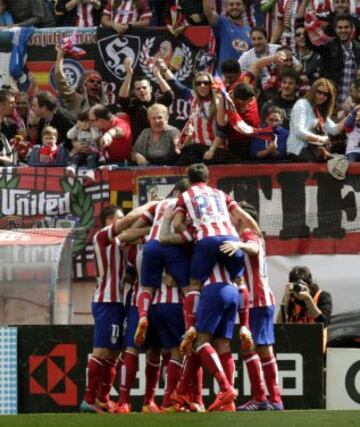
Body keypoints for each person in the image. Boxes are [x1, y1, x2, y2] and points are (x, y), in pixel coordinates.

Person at [80, 203, 154, 414]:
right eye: (119, 218)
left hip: (118, 303)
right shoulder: (102, 237)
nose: (123, 220)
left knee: (113, 353)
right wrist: (152, 207)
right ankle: (88, 399)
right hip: (106, 301)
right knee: (102, 350)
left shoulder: (122, 243)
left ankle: (103, 398)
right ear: (109, 221)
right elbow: (131, 221)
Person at [220, 201, 283, 411]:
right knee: (261, 349)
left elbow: (254, 248)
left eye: (233, 215)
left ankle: (264, 399)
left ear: (241, 218)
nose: (230, 218)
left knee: (253, 348)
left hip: (258, 300)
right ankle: (271, 399)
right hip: (259, 300)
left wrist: (239, 245)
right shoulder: (246, 234)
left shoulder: (247, 234)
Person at [287, 78, 349, 162]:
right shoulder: (301, 104)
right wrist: (320, 139)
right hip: (297, 149)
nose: (322, 96)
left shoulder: (319, 110)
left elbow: (334, 129)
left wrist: (352, 115)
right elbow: (299, 131)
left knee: (336, 161)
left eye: (325, 94)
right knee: (327, 164)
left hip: (313, 150)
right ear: (313, 91)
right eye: (319, 92)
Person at [306, 14, 360, 106]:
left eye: (346, 27)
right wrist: (308, 26)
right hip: (330, 104)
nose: (343, 30)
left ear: (352, 29)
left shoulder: (358, 48)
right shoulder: (328, 46)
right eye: (340, 27)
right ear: (335, 29)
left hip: (352, 105)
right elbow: (310, 45)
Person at [276, 265, 333, 353]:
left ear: (309, 284)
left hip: (315, 349)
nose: (298, 290)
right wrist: (286, 301)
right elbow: (278, 325)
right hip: (293, 347)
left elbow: (324, 322)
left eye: (302, 286)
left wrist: (308, 300)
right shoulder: (290, 297)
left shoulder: (322, 296)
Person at [118, 57, 174, 142]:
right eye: (138, 89)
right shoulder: (132, 106)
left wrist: (157, 74)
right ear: (135, 92)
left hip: (160, 144)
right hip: (140, 146)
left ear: (150, 89)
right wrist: (129, 74)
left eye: (144, 87)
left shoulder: (159, 102)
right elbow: (122, 98)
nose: (141, 90)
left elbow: (169, 95)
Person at [55, 46, 107, 121]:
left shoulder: (101, 104)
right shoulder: (76, 98)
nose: (96, 84)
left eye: (98, 82)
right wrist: (60, 55)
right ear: (84, 84)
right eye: (92, 81)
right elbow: (60, 79)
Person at [203, 0, 252, 75]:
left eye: (238, 4)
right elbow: (208, 13)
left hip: (242, 78)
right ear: (227, 7)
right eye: (231, 4)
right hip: (224, 77)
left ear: (243, 7)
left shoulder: (250, 31)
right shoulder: (222, 22)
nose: (235, 7)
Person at [66, 110, 102, 182]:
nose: (85, 124)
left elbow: (96, 137)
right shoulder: (78, 130)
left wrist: (92, 127)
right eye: (82, 121)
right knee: (76, 157)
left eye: (87, 121)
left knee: (92, 158)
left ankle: (90, 172)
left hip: (92, 152)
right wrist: (76, 126)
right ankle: (72, 168)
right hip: (81, 152)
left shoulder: (94, 130)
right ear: (78, 122)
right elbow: (69, 136)